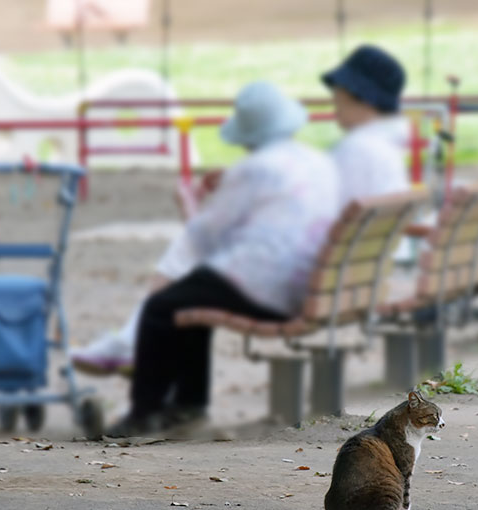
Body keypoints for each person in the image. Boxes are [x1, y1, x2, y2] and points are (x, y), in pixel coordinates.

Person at [102, 81, 340, 437]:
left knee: (160, 308)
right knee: (189, 298)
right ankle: (187, 404)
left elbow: (206, 238)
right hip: (306, 283)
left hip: (264, 287)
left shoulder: (254, 168)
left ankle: (146, 411)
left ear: (248, 134)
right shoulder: (317, 161)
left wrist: (189, 203)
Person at [322, 44, 429, 260]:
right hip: (384, 267)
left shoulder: (356, 149)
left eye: (340, 91)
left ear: (365, 99)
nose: (334, 98)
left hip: (351, 271)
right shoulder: (388, 146)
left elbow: (323, 220)